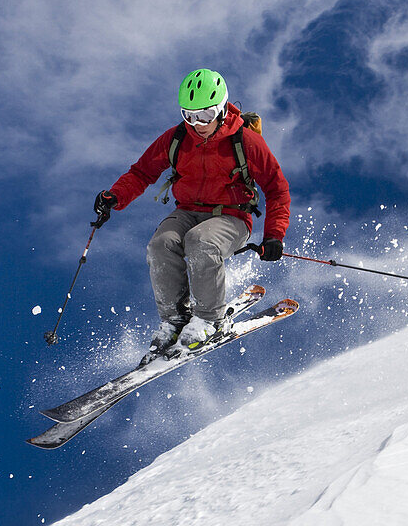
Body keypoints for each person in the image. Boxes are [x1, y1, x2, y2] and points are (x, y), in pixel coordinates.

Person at [93, 68, 290, 355]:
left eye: (206, 115)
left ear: (222, 109)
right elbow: (142, 172)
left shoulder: (245, 142)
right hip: (188, 211)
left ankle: (211, 318)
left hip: (231, 216)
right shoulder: (176, 138)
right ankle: (175, 318)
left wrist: (274, 235)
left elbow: (277, 188)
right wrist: (114, 197)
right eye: (189, 115)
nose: (198, 124)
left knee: (201, 241)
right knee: (160, 245)